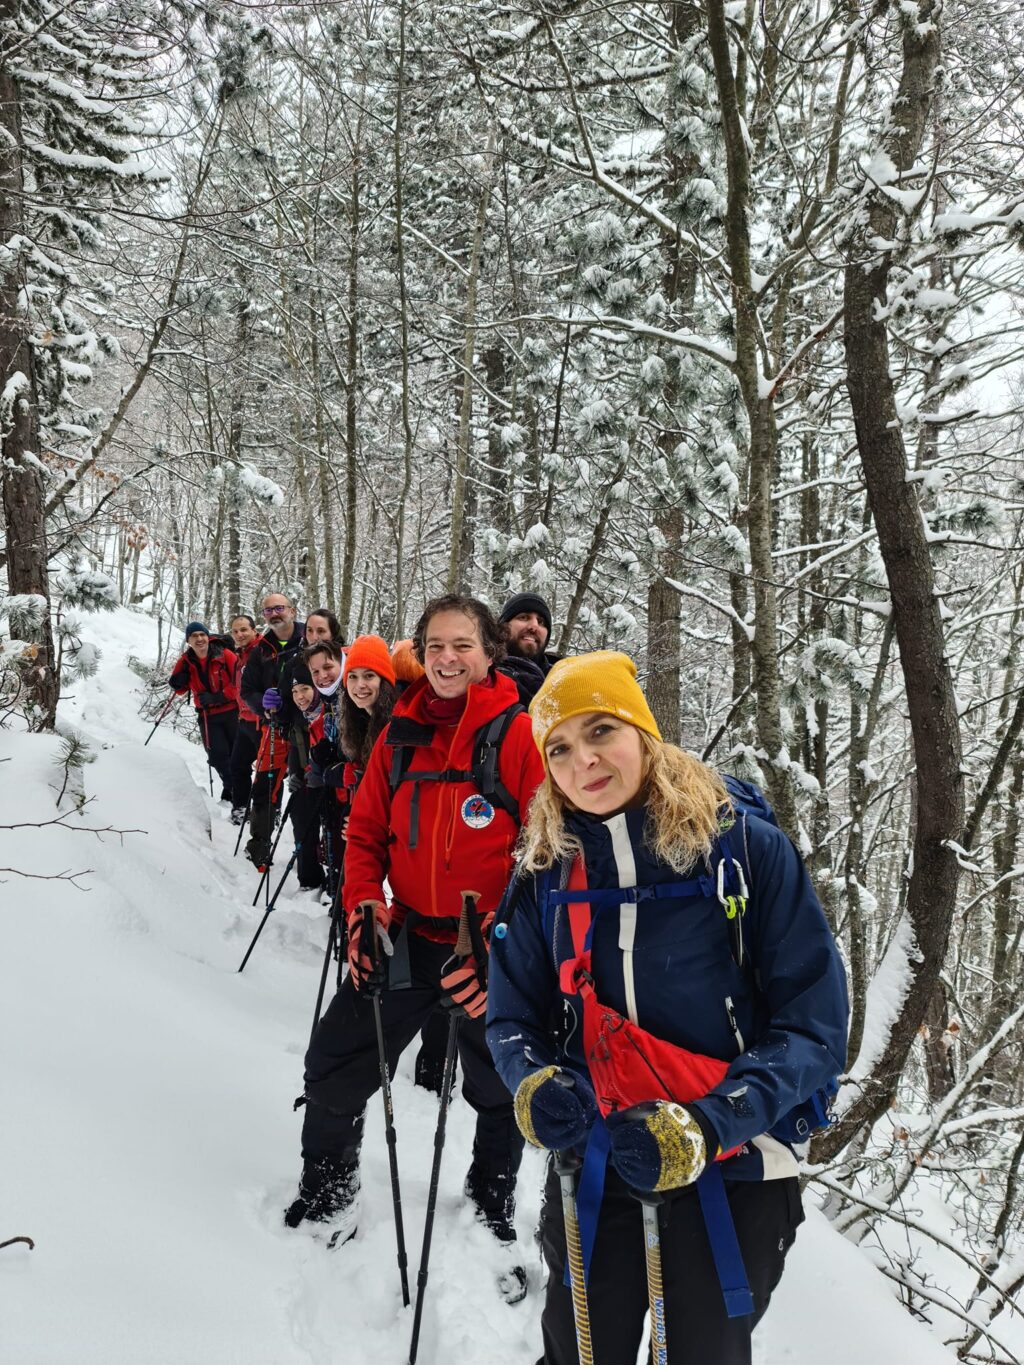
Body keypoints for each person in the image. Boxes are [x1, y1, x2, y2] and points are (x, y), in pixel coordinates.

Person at [487, 651, 849, 1364]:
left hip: (737, 1165)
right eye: (558, 746)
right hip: (597, 1156)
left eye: (599, 732)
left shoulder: (743, 852)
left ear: (643, 732)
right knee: (578, 1352)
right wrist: (530, 1082)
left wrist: (710, 1124)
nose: (580, 761)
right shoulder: (547, 868)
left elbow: (814, 1026)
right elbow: (511, 1017)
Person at [286, 595, 545, 1302]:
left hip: (488, 948)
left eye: (463, 644)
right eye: (435, 644)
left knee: (502, 1086)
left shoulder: (518, 736)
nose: (448, 657)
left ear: (489, 652)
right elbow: (365, 831)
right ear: (421, 652)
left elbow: (545, 856)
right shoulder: (399, 733)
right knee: (335, 1061)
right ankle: (329, 1188)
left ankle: (491, 1196)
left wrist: (506, 945)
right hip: (406, 932)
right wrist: (363, 904)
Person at [240, 593, 306, 868]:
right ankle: (259, 844)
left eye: (279, 608)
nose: (274, 614)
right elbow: (247, 690)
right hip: (276, 726)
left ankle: (313, 857)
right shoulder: (261, 648)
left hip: (307, 727)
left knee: (308, 787)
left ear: (292, 610)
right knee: (265, 784)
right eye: (268, 611)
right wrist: (263, 705)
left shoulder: (308, 637)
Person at [168, 622, 239, 802]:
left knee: (237, 755)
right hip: (208, 715)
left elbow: (240, 683)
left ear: (208, 637)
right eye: (194, 636)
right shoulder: (186, 661)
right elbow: (180, 689)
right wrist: (177, 681)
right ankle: (233, 787)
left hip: (232, 712)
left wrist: (219, 697)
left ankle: (235, 792)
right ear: (188, 641)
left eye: (202, 635)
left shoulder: (225, 655)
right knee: (217, 756)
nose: (199, 639)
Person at [283, 660, 328, 893]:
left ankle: (335, 881)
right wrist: (294, 774)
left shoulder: (331, 713)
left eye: (305, 689)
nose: (300, 696)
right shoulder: (299, 717)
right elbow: (294, 745)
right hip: (307, 777)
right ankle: (309, 880)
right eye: (295, 691)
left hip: (332, 782)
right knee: (299, 816)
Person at [497, 593, 560, 704]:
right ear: (503, 627)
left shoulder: (561, 679)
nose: (534, 627)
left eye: (541, 622)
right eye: (524, 617)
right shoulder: (481, 675)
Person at [228, 614, 260, 824]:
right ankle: (241, 807)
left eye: (244, 630)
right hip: (244, 720)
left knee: (268, 772)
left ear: (254, 630)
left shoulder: (261, 652)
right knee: (238, 765)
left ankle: (268, 812)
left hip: (261, 721)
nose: (240, 635)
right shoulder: (239, 656)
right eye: (235, 631)